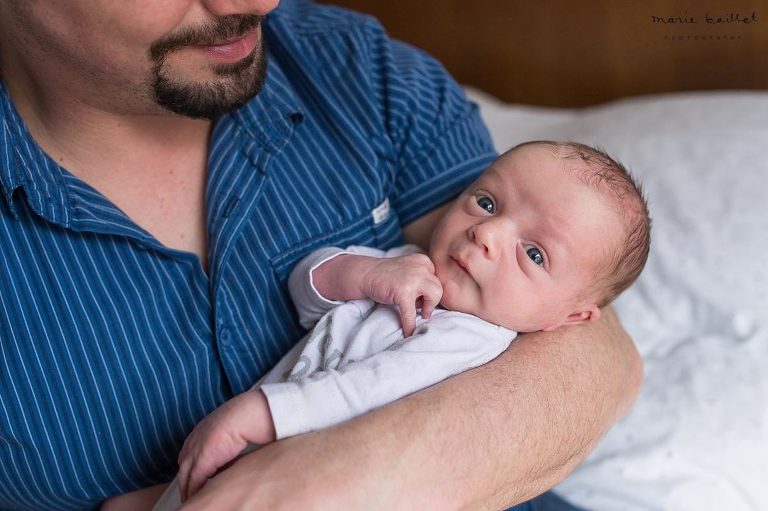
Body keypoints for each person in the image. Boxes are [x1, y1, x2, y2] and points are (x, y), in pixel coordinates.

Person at [0, 0, 642, 509]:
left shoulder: (363, 72)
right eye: (485, 207)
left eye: (530, 251)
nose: (259, 3)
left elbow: (602, 356)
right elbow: (317, 287)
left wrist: (337, 480)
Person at [134, 140, 650, 511]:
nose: (487, 233)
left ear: (571, 317)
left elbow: (365, 391)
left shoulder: (472, 344)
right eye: (487, 202)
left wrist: (258, 413)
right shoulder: (408, 264)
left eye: (534, 253)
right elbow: (306, 293)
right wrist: (366, 273)